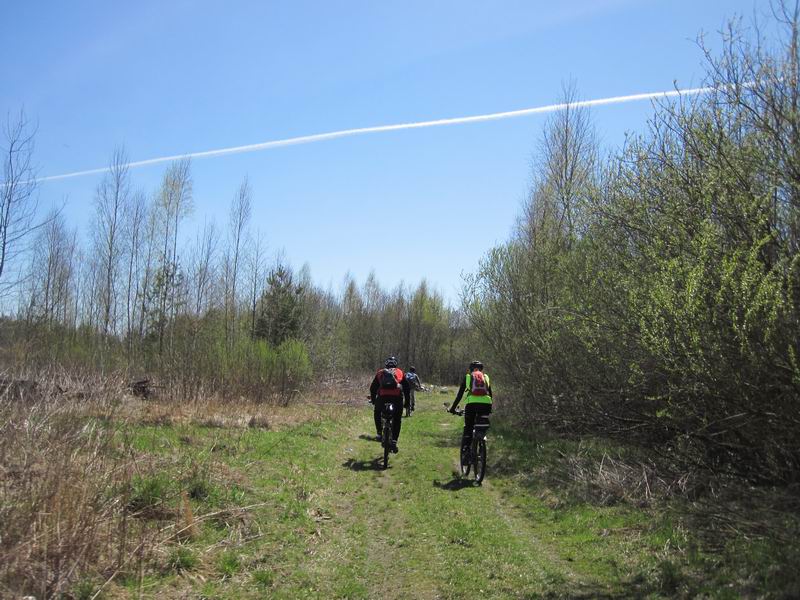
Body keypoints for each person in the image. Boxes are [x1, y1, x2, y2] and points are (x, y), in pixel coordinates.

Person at [448, 360, 492, 457]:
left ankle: (466, 450)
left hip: (471, 404)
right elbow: (490, 394)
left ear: (470, 369)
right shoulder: (485, 377)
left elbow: (459, 396)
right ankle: (481, 445)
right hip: (486, 404)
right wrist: (490, 409)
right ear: (482, 370)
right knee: (482, 425)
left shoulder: (468, 377)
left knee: (469, 427)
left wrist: (453, 408)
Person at [369, 356, 411, 453]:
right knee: (397, 419)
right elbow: (407, 388)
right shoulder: (400, 372)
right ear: (395, 364)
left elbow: (373, 388)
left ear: (386, 364)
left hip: (382, 397)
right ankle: (394, 441)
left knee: (377, 412)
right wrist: (407, 402)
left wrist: (374, 400)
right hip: (397, 398)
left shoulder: (380, 372)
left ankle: (379, 433)